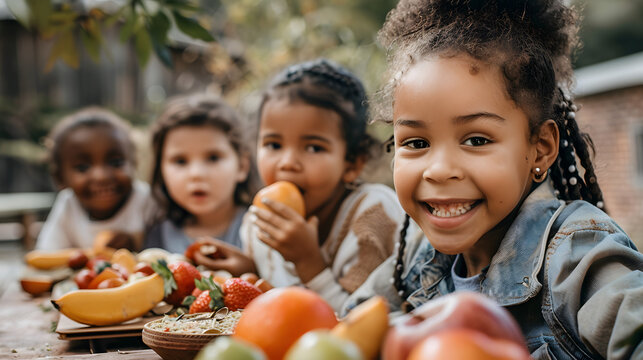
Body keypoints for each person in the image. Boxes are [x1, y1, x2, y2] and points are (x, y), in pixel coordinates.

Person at [344, 1, 643, 359]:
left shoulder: (577, 258)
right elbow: (342, 333)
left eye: (476, 140)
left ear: (541, 148)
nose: (438, 170)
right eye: (417, 143)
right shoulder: (417, 261)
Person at [205, 59, 405, 311]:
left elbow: (363, 321)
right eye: (273, 145)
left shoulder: (372, 216)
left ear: (352, 163)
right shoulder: (257, 224)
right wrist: (250, 269)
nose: (287, 163)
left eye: (313, 147)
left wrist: (308, 261)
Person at [143, 94, 254, 257]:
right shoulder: (158, 236)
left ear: (242, 166)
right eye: (180, 161)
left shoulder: (262, 230)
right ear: (161, 171)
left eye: (213, 158)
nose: (196, 174)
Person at [36, 107, 152, 251]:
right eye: (82, 168)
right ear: (60, 177)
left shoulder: (147, 200)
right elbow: (47, 253)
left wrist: (134, 244)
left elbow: (168, 250)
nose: (101, 176)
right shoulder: (68, 204)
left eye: (116, 163)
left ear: (134, 163)